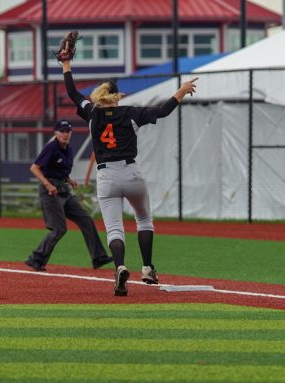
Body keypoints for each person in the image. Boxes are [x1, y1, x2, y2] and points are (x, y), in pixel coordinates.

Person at [61, 49, 198, 296]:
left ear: (99, 96)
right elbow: (163, 111)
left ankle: (120, 267)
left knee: (114, 229)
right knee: (144, 220)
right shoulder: (131, 112)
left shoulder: (92, 113)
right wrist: (180, 91)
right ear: (117, 96)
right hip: (131, 173)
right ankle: (147, 268)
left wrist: (66, 63)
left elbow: (72, 93)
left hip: (106, 177)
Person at [24, 119, 113, 272]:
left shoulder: (68, 149)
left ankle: (98, 257)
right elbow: (35, 168)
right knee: (59, 228)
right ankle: (36, 258)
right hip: (50, 192)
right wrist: (48, 185)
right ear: (56, 133)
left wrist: (69, 180)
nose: (65, 134)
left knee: (86, 220)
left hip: (63, 190)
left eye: (67, 131)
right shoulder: (51, 147)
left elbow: (58, 170)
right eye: (62, 131)